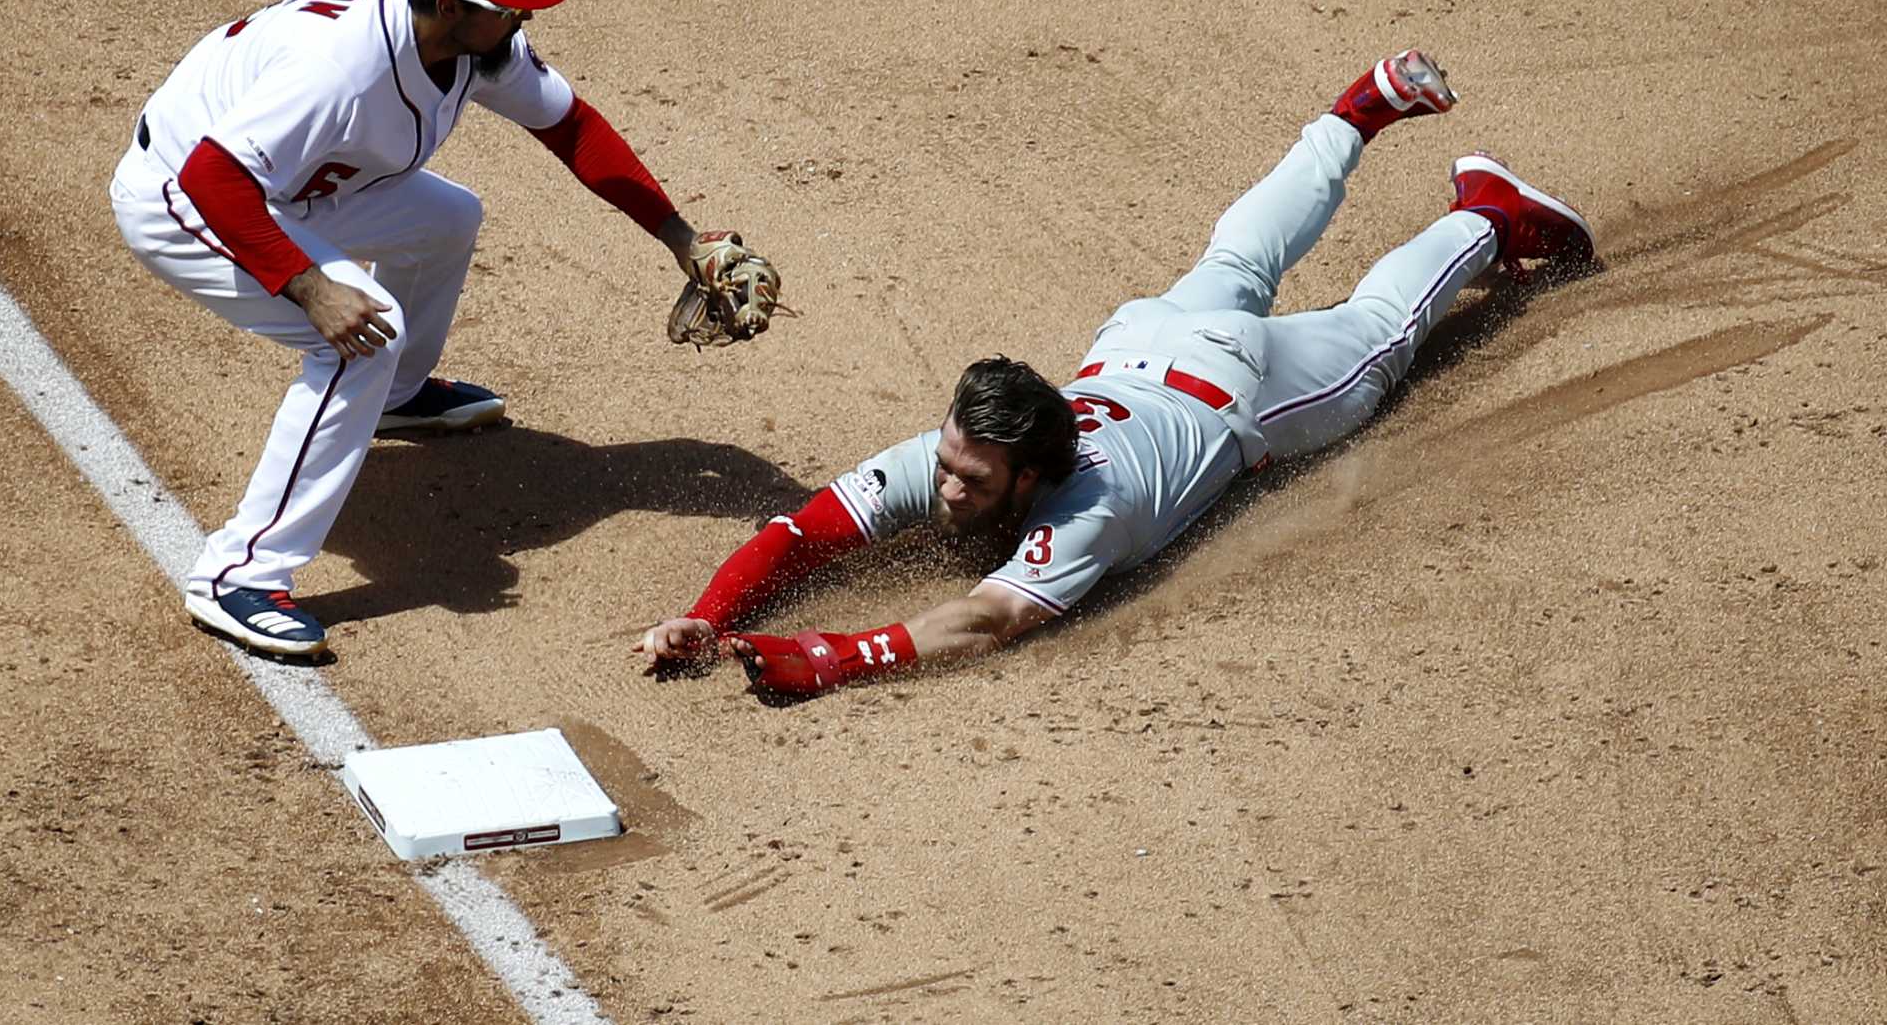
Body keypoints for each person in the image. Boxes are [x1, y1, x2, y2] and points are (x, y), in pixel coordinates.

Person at [634, 50, 1597, 697]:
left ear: (1032, 475)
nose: (945, 482)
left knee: (1378, 332)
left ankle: (1489, 211)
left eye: (971, 479)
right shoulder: (966, 448)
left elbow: (987, 619)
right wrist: (708, 617)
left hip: (1243, 382)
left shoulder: (1093, 509)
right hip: (1144, 345)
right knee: (1238, 258)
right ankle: (1356, 113)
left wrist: (825, 658)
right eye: (948, 461)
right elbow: (801, 531)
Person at [113, 0, 743, 658]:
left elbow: (571, 126)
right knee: (362, 334)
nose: (523, 20)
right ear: (450, 5)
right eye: (511, 7)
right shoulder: (340, 72)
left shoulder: (471, 43)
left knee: (445, 218)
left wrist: (681, 239)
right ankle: (237, 575)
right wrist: (311, 288)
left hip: (292, 180)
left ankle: (399, 399)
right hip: (185, 193)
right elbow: (214, 177)